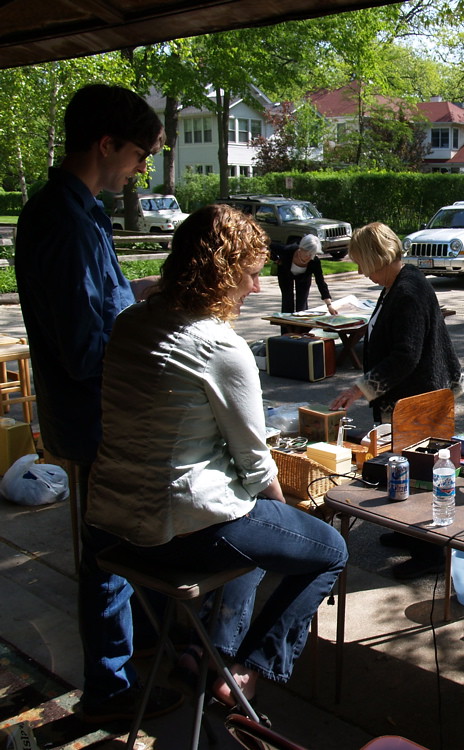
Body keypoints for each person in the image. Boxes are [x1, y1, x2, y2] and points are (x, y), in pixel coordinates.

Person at [86, 204, 349, 707]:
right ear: (221, 272)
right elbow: (256, 466)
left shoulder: (130, 322)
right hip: (172, 531)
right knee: (329, 550)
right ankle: (248, 669)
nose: (255, 288)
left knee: (256, 537)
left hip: (110, 522)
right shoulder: (220, 346)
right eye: (250, 275)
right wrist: (288, 511)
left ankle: (204, 652)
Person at [14, 83, 180, 723]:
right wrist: (151, 334)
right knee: (111, 558)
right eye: (139, 154)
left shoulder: (77, 212)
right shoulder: (63, 219)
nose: (141, 168)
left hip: (98, 415)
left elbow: (95, 301)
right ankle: (111, 692)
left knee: (120, 551)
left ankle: (144, 663)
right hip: (96, 417)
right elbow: (86, 348)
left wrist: (143, 289)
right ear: (106, 144)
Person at [330, 222, 464, 579]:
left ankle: (430, 553)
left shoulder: (407, 291)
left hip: (419, 399)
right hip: (412, 396)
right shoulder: (398, 283)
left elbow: (406, 355)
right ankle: (408, 532)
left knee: (420, 473)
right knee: (402, 466)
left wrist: (360, 389)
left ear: (376, 257)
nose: (360, 270)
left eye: (361, 262)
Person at [272, 233, 336, 315]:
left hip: (304, 279)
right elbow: (268, 246)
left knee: (302, 304)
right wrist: (276, 260)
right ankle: (286, 326)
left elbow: (321, 283)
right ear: (301, 249)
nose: (309, 257)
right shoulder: (288, 250)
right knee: (287, 301)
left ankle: (301, 327)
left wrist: (329, 305)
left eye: (312, 255)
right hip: (285, 275)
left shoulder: (314, 262)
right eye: (307, 254)